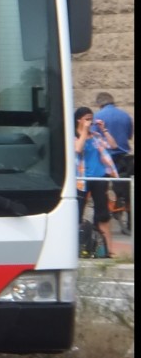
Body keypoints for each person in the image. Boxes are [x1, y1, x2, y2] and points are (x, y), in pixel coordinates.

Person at [75, 105, 119, 257]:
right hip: (82, 179)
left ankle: (108, 250)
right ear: (79, 120)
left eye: (91, 119)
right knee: (77, 213)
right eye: (87, 119)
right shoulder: (74, 137)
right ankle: (79, 247)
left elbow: (113, 145)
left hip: (99, 177)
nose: (90, 122)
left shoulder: (96, 136)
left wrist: (104, 130)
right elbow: (78, 149)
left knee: (102, 213)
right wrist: (83, 131)